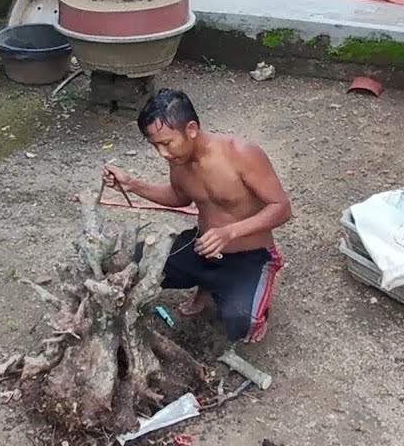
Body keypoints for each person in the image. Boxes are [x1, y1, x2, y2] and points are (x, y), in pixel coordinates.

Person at [103, 88, 292, 343]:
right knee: (135, 264)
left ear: (191, 129)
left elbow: (282, 208)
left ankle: (237, 288)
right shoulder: (178, 159)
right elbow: (179, 197)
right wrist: (133, 185)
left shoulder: (241, 154)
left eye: (167, 143)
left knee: (242, 327)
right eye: (155, 145)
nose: (163, 153)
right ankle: (208, 282)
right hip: (202, 246)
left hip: (250, 255)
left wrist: (229, 232)